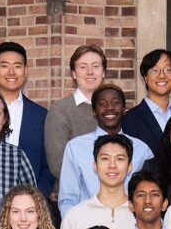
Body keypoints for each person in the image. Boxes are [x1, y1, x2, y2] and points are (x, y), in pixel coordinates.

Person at [58, 83, 154, 216]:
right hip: (89, 227)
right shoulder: (75, 148)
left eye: (116, 103)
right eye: (102, 104)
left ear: (124, 109)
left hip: (130, 226)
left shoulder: (142, 150)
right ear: (94, 111)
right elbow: (68, 199)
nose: (110, 108)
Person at [58, 135, 137, 229]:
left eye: (120, 159)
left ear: (130, 166)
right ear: (95, 165)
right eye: (105, 158)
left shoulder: (141, 215)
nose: (112, 165)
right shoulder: (74, 216)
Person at [0, 41, 52, 196]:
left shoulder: (41, 116)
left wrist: (37, 196)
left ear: (25, 71)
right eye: (4, 66)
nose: (11, 72)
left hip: (28, 203)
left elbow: (48, 166)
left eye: (17, 66)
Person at [44, 44, 106, 194]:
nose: (90, 72)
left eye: (96, 66)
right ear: (73, 73)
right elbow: (58, 165)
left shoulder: (113, 109)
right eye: (83, 67)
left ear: (103, 72)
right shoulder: (60, 110)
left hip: (113, 198)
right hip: (74, 197)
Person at [123, 49, 171, 156]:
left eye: (168, 70)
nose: (162, 76)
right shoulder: (130, 118)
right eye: (155, 70)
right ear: (145, 78)